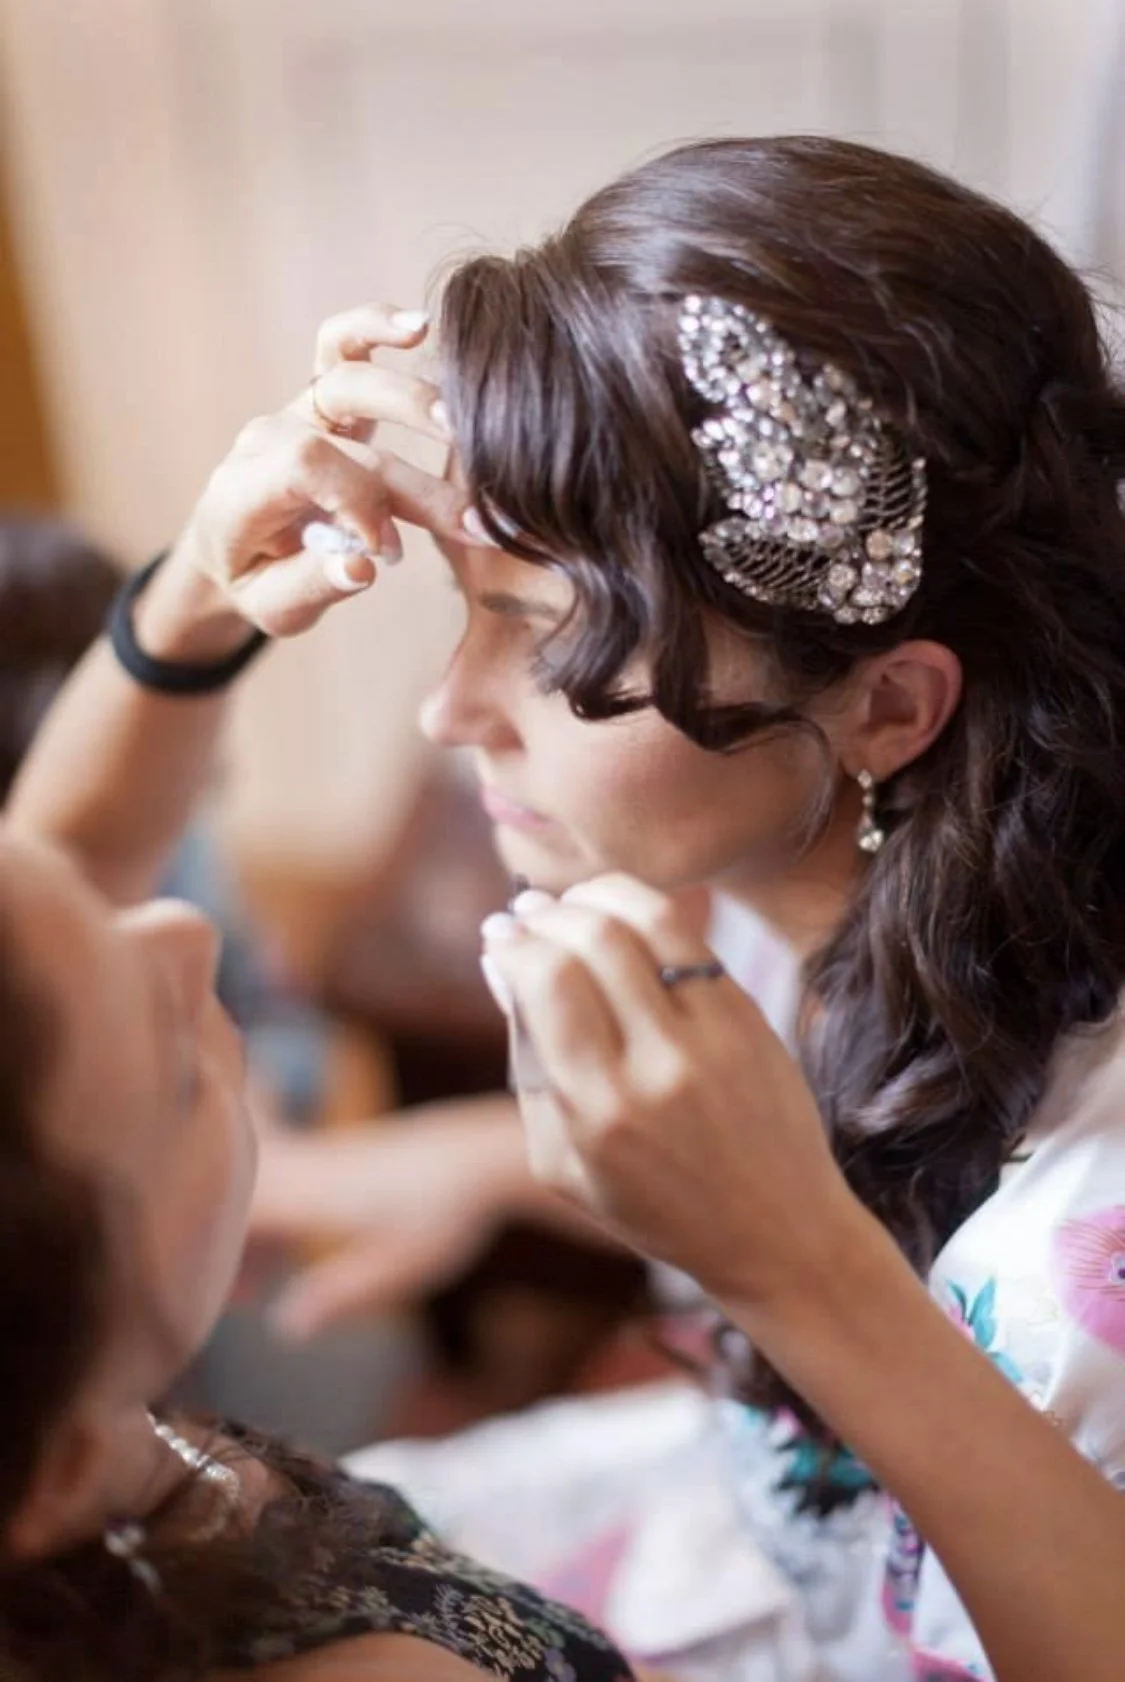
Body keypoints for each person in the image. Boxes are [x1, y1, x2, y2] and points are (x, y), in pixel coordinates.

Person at [9, 132, 1125, 1682]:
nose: (447, 712)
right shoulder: (723, 869)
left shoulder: (1078, 1267)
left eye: (536, 631)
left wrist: (789, 1269)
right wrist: (203, 578)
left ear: (887, 711)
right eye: (466, 612)